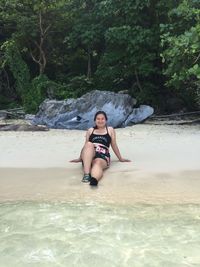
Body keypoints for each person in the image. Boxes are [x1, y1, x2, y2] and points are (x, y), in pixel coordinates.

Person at [70, 111, 131, 186]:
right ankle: (86, 174)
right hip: (89, 154)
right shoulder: (90, 130)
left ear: (106, 120)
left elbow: (114, 145)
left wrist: (120, 158)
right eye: (98, 119)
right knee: (89, 144)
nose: (100, 121)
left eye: (102, 119)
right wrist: (80, 158)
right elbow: (85, 146)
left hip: (103, 155)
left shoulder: (110, 130)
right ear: (95, 120)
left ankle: (94, 180)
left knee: (97, 162)